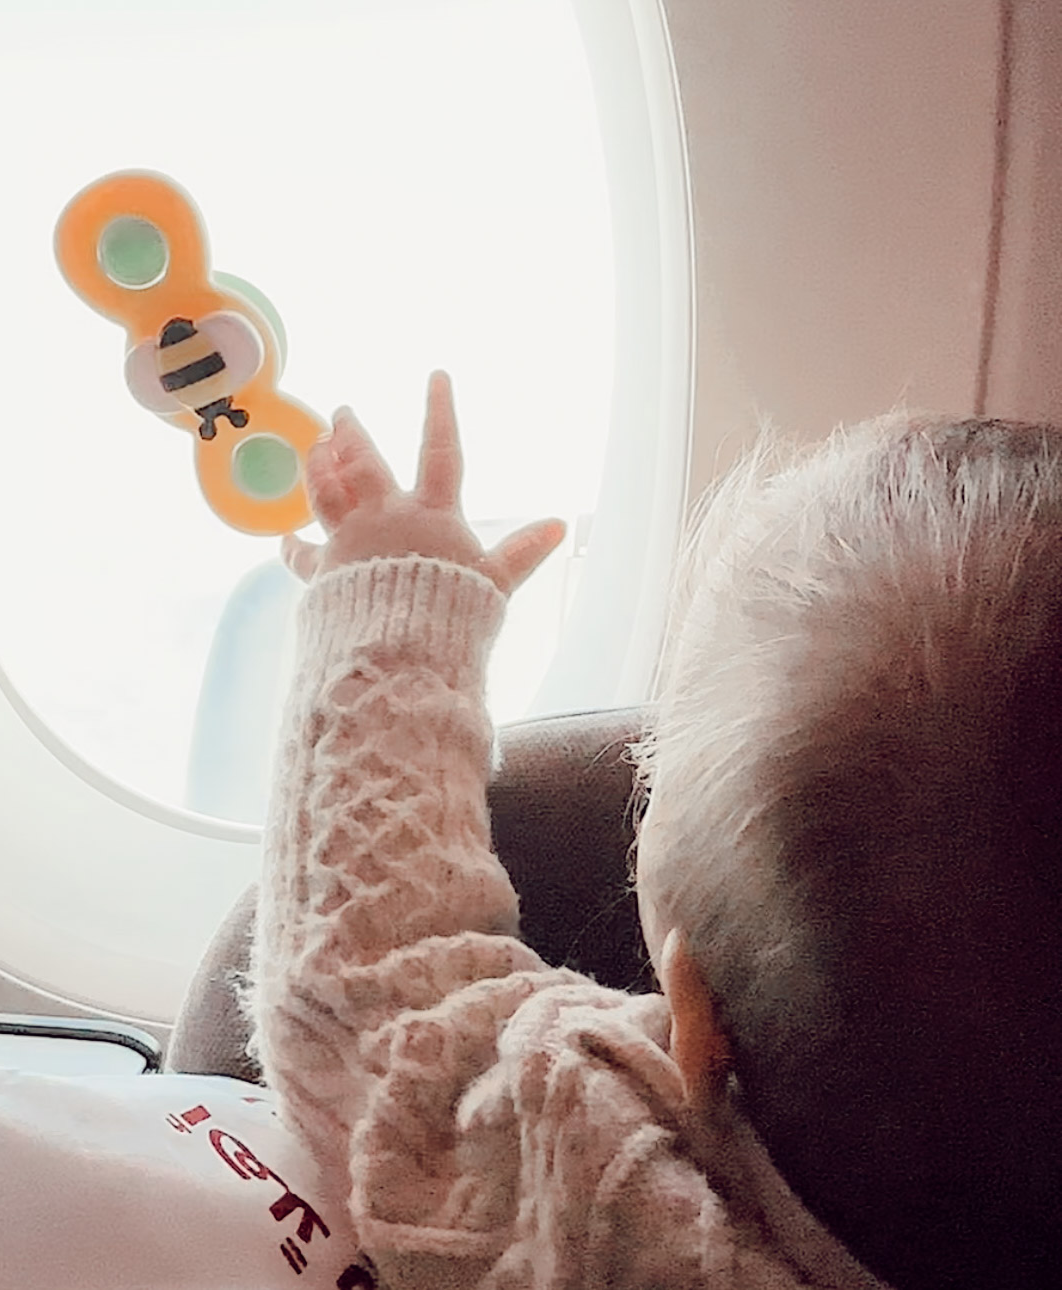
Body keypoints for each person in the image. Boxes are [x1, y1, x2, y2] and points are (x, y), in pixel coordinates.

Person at [247, 374, 1062, 1290]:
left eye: (650, 771)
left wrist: (393, 604)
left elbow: (368, 993)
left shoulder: (607, 1200)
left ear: (694, 1028)